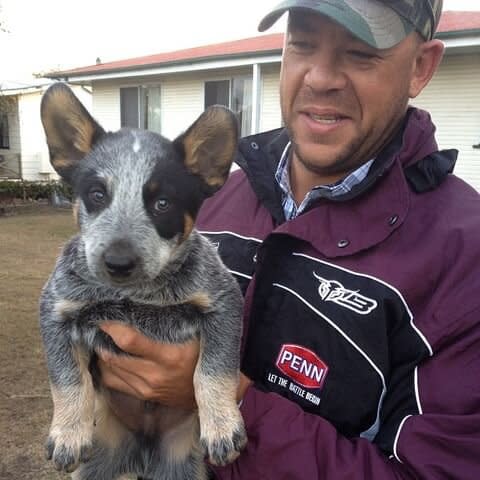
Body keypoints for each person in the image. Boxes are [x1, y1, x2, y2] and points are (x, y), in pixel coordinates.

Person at [97, 0, 480, 478]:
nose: (320, 78)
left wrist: (229, 401)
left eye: (361, 54)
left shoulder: (465, 256)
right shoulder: (212, 203)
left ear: (421, 67)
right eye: (301, 44)